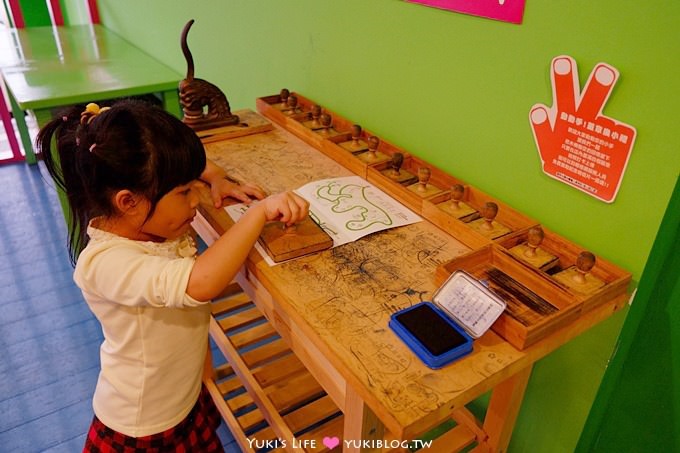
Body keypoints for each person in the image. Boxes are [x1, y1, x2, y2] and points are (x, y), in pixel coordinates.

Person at [37, 99, 309, 452]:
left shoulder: (154, 222)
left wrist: (215, 177)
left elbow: (180, 168)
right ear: (128, 201)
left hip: (184, 400)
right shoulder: (105, 263)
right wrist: (257, 214)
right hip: (142, 427)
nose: (195, 201)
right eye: (184, 191)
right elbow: (202, 283)